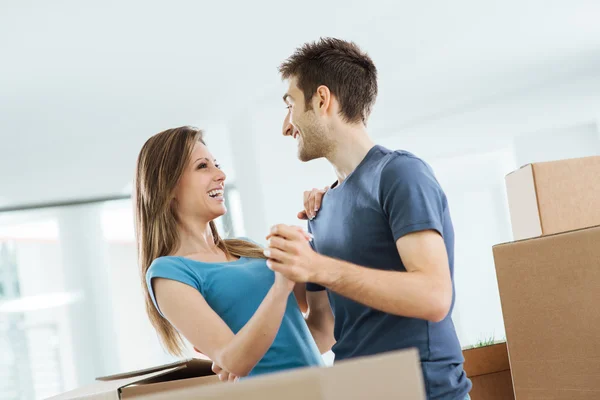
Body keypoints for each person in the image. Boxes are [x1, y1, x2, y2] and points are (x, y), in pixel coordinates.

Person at [264, 38, 472, 399]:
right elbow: (324, 328)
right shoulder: (321, 208)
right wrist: (251, 356)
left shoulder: (400, 174)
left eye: (290, 105)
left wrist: (318, 268)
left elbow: (434, 296)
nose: (286, 126)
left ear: (322, 100)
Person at [134, 126, 324, 381]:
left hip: (321, 388)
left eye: (217, 164)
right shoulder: (168, 273)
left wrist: (320, 220)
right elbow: (234, 361)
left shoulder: (245, 249)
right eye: (203, 166)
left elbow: (323, 329)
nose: (221, 175)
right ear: (167, 187)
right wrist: (281, 285)